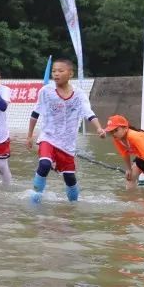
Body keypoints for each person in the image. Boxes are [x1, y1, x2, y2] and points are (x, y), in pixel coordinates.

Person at [26, 58, 105, 203]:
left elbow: (88, 112)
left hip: (67, 143)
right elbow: (35, 113)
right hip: (48, 137)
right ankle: (34, 200)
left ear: (70, 74)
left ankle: (73, 205)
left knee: (69, 178)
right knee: (44, 164)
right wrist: (30, 136)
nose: (56, 74)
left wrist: (99, 128)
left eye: (60, 71)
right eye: (54, 71)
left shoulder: (79, 94)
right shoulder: (46, 91)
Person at [104, 114, 144, 193]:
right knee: (130, 177)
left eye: (116, 130)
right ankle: (131, 199)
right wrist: (128, 169)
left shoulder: (133, 136)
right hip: (142, 157)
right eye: (111, 132)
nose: (113, 134)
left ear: (125, 128)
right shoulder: (117, 139)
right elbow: (125, 154)